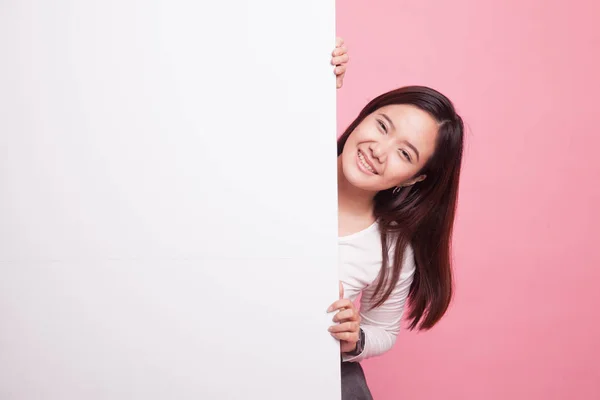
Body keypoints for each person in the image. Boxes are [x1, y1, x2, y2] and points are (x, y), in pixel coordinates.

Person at [327, 37, 465, 399]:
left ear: (414, 177)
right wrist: (308, 81)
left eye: (404, 153)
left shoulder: (390, 247)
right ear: (364, 115)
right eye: (382, 126)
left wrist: (353, 337)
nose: (378, 151)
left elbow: (383, 332)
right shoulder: (281, 156)